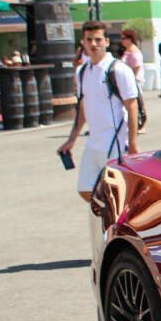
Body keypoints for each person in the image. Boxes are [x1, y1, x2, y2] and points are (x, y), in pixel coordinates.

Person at [56, 20, 139, 202]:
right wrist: (72, 139)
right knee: (86, 189)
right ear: (83, 42)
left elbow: (132, 106)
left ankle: (116, 226)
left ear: (107, 42)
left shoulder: (118, 70)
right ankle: (108, 223)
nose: (94, 44)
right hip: (93, 144)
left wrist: (132, 144)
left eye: (98, 39)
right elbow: (83, 106)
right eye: (89, 40)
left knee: (118, 195)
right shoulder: (82, 71)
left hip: (115, 145)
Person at [120, 29, 147, 133]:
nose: (121, 41)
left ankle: (141, 125)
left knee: (137, 104)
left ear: (129, 39)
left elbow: (136, 67)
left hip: (134, 81)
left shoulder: (134, 51)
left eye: (123, 38)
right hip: (129, 81)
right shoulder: (128, 50)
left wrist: (131, 80)